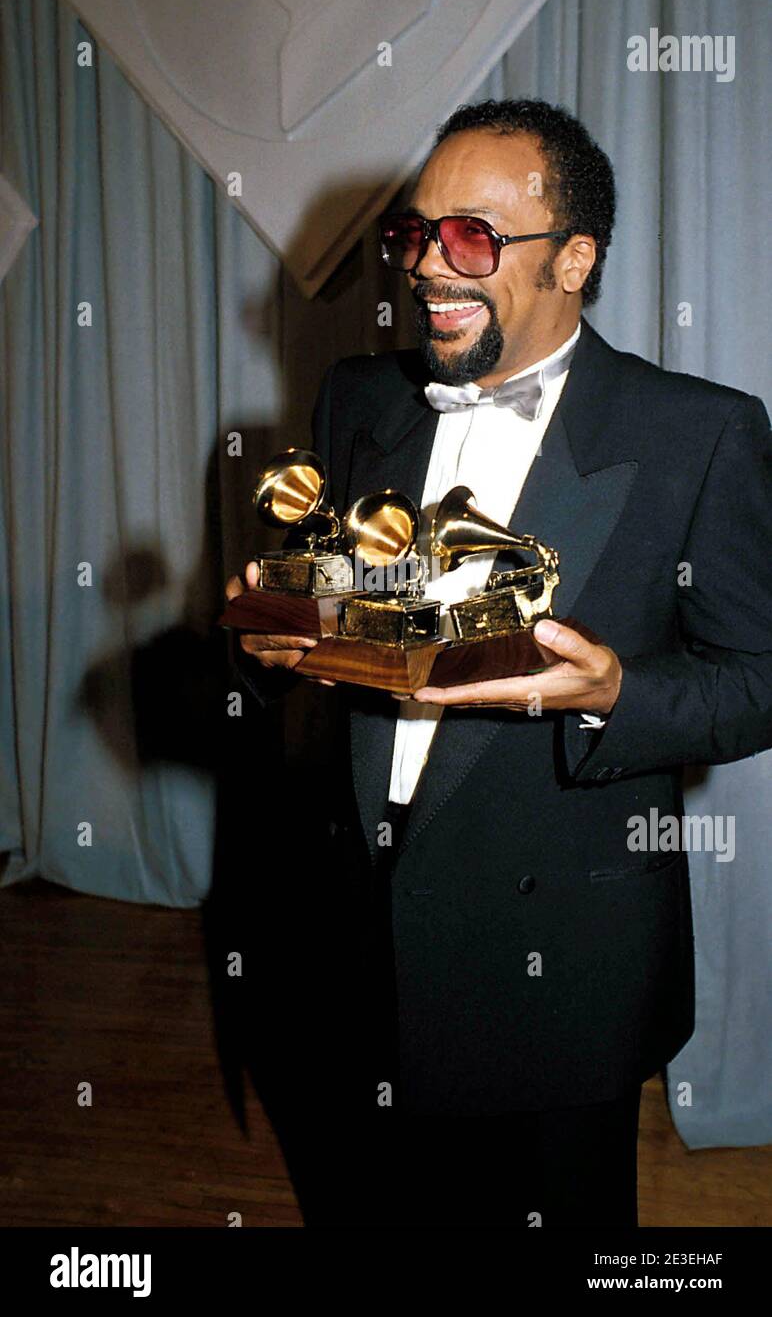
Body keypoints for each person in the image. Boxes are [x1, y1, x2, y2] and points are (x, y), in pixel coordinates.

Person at [225, 99, 772, 1228]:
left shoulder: (701, 432)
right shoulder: (360, 399)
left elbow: (756, 676)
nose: (429, 265)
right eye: (415, 234)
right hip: (354, 941)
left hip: (556, 963)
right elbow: (350, 616)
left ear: (574, 258)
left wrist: (621, 692)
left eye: (471, 236)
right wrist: (282, 638)